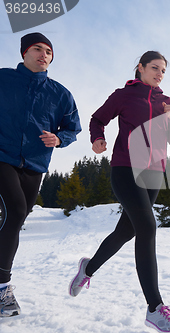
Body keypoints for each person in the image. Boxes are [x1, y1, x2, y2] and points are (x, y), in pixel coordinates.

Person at [68, 51, 170, 333]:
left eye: (164, 71)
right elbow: (98, 118)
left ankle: (89, 267)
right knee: (147, 226)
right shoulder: (124, 95)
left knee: (126, 232)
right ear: (141, 68)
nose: (160, 74)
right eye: (155, 68)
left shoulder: (168, 102)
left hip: (154, 173)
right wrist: (98, 138)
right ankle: (155, 308)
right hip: (125, 167)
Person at [0, 32, 82, 317]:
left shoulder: (60, 93)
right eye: (38, 49)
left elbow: (73, 128)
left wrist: (60, 139)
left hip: (34, 165)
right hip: (2, 157)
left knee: (16, 219)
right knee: (15, 210)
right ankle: (2, 289)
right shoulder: (3, 79)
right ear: (24, 53)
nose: (44, 55)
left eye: (49, 52)